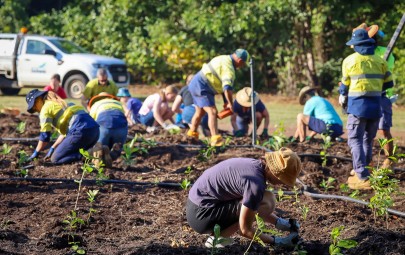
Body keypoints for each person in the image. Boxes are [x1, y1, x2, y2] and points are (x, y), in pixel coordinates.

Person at [186, 147, 301, 248]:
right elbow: (245, 230)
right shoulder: (255, 184)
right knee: (267, 201)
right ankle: (216, 240)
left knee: (266, 199)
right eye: (282, 179)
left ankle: (219, 236)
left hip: (197, 206)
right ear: (274, 172)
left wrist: (282, 224)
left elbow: (253, 208)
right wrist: (278, 241)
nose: (281, 183)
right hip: (201, 215)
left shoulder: (254, 166)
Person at [339, 29, 393, 190]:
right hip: (375, 107)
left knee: (355, 139)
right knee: (367, 140)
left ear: (356, 45)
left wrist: (342, 95)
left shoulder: (349, 61)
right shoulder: (380, 61)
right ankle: (365, 171)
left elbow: (344, 85)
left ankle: (361, 175)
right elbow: (389, 84)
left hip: (357, 107)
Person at [353, 23, 396, 169]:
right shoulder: (359, 54)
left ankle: (389, 160)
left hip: (382, 96)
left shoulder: (385, 53)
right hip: (365, 97)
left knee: (384, 129)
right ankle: (367, 162)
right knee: (366, 132)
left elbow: (386, 74)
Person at [187, 49, 250, 146]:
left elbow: (221, 85)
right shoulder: (229, 69)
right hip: (202, 86)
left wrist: (226, 102)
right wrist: (230, 103)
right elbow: (227, 88)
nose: (241, 66)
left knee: (200, 112)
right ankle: (216, 140)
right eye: (242, 64)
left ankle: (191, 135)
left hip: (196, 82)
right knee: (212, 112)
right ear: (240, 61)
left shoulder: (223, 58)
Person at [25, 89, 101, 164]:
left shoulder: (45, 109)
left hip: (80, 130)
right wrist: (53, 147)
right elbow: (65, 134)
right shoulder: (61, 103)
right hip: (94, 130)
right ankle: (95, 151)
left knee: (55, 159)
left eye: (34, 107)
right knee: (70, 150)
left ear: (38, 100)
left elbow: (44, 137)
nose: (36, 110)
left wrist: (36, 152)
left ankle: (90, 154)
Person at [88, 92, 128, 167]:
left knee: (99, 149)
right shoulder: (117, 103)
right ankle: (113, 153)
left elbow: (91, 122)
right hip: (121, 126)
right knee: (117, 149)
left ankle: (100, 164)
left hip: (104, 124)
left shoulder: (96, 104)